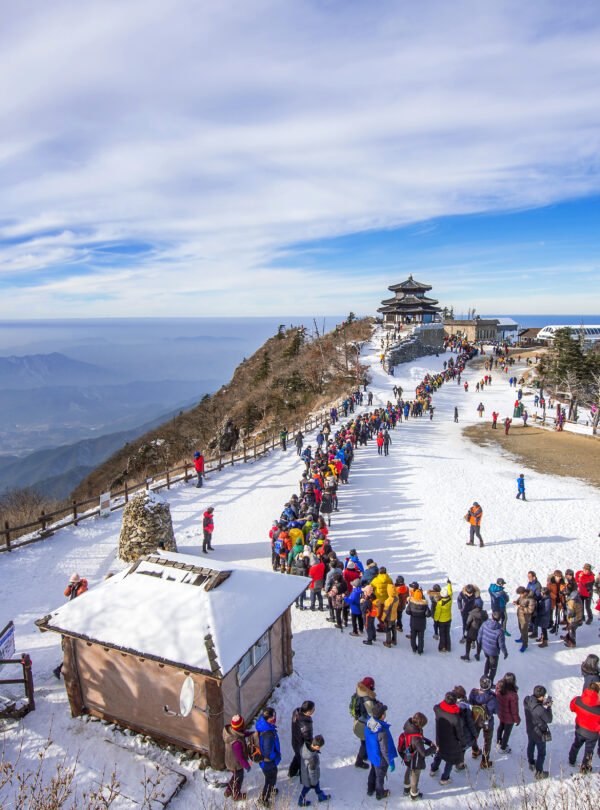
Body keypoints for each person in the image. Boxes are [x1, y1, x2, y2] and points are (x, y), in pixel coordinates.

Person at [53, 573, 89, 679]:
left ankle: (61, 669)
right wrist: (69, 587)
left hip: (75, 617)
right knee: (71, 653)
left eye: (73, 582)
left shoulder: (81, 589)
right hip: (71, 615)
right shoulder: (74, 588)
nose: (71, 584)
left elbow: (80, 600)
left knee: (72, 654)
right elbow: (66, 594)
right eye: (71, 582)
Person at [400, 712, 436, 801]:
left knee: (408, 770)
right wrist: (434, 748)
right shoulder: (416, 737)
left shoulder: (410, 727)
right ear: (420, 724)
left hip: (408, 755)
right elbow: (423, 753)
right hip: (415, 760)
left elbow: (421, 737)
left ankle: (406, 788)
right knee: (415, 777)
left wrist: (429, 742)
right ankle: (414, 794)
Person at [364, 702, 397, 801]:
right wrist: (390, 762)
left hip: (373, 755)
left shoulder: (369, 723)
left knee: (373, 771)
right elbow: (385, 750)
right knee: (380, 776)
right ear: (382, 716)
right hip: (380, 759)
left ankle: (370, 788)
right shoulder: (381, 731)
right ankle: (380, 793)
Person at [430, 692, 464, 785]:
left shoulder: (437, 709)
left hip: (440, 737)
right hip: (451, 742)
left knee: (439, 753)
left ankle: (433, 769)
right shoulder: (455, 717)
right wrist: (462, 741)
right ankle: (445, 778)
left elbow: (435, 707)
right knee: (450, 760)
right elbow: (459, 733)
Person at [568, 682, 600, 774]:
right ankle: (584, 768)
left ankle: (571, 760)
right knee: (589, 751)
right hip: (592, 734)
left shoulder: (577, 700)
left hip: (580, 729)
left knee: (576, 745)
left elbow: (572, 708)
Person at [524, 686, 553, 780]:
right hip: (539, 733)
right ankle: (539, 773)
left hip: (530, 729)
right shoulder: (540, 710)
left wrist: (542, 703)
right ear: (540, 697)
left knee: (531, 745)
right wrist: (549, 707)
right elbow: (549, 719)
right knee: (541, 753)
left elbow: (535, 706)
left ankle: (531, 762)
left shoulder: (527, 700)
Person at [469, 676, 498, 768]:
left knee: (474, 736)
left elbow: (470, 704)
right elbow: (496, 711)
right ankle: (484, 761)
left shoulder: (473, 692)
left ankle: (475, 750)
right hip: (487, 722)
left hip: (475, 719)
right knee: (487, 741)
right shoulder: (492, 697)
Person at [222, 714, 251, 801]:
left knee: (235, 776)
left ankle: (228, 790)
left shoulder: (231, 732)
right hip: (235, 764)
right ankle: (236, 795)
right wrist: (246, 765)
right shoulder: (236, 743)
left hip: (229, 760)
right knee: (238, 779)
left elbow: (241, 733)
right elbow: (240, 758)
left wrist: (250, 733)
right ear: (240, 727)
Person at [257, 707, 281, 807]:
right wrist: (276, 755)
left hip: (265, 762)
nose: (274, 718)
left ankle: (271, 790)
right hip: (268, 762)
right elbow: (268, 753)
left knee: (272, 776)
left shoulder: (263, 724)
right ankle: (263, 799)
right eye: (273, 717)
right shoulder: (268, 735)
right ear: (268, 719)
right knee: (270, 780)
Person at [351, 677, 378, 768]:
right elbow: (372, 713)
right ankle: (359, 761)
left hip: (358, 721)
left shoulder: (359, 691)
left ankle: (365, 755)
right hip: (364, 724)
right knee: (365, 742)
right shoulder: (367, 699)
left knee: (364, 740)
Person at [476, 612, 507, 682]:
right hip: (493, 652)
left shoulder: (485, 624)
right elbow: (501, 644)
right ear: (499, 619)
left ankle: (485, 675)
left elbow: (479, 635)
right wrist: (505, 653)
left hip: (485, 648)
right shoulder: (500, 631)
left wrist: (479, 643)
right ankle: (490, 681)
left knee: (488, 659)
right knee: (493, 668)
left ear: (492, 616)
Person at [289, 701, 315, 778]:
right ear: (308, 712)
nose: (314, 710)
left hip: (295, 741)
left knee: (297, 757)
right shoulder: (306, 724)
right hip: (301, 746)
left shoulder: (296, 711)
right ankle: (303, 776)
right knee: (302, 762)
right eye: (313, 709)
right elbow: (308, 740)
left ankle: (292, 772)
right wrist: (313, 749)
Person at [495, 673, 520, 753]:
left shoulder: (499, 686)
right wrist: (517, 719)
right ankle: (503, 748)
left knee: (501, 726)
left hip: (501, 712)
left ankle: (499, 741)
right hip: (509, 718)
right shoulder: (513, 695)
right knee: (507, 732)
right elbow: (514, 710)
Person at [405, 587, 431, 655]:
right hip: (421, 625)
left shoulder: (411, 603)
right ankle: (420, 650)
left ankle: (414, 648)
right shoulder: (425, 605)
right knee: (421, 638)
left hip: (413, 623)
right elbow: (428, 614)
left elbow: (407, 612)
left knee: (413, 637)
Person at [513, 586, 536, 653]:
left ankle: (525, 644)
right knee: (520, 628)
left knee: (524, 631)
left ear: (524, 592)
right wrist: (516, 602)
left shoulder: (530, 599)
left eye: (520, 594)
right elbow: (519, 601)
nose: (520, 595)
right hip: (520, 615)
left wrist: (521, 607)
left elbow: (530, 610)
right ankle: (521, 638)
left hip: (525, 617)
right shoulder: (522, 596)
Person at [434, 581, 453, 653]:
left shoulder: (440, 603)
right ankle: (448, 647)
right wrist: (449, 584)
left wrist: (436, 620)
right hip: (448, 619)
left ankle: (442, 647)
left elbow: (437, 613)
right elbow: (450, 592)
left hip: (441, 621)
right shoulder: (450, 599)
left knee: (442, 634)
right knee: (447, 633)